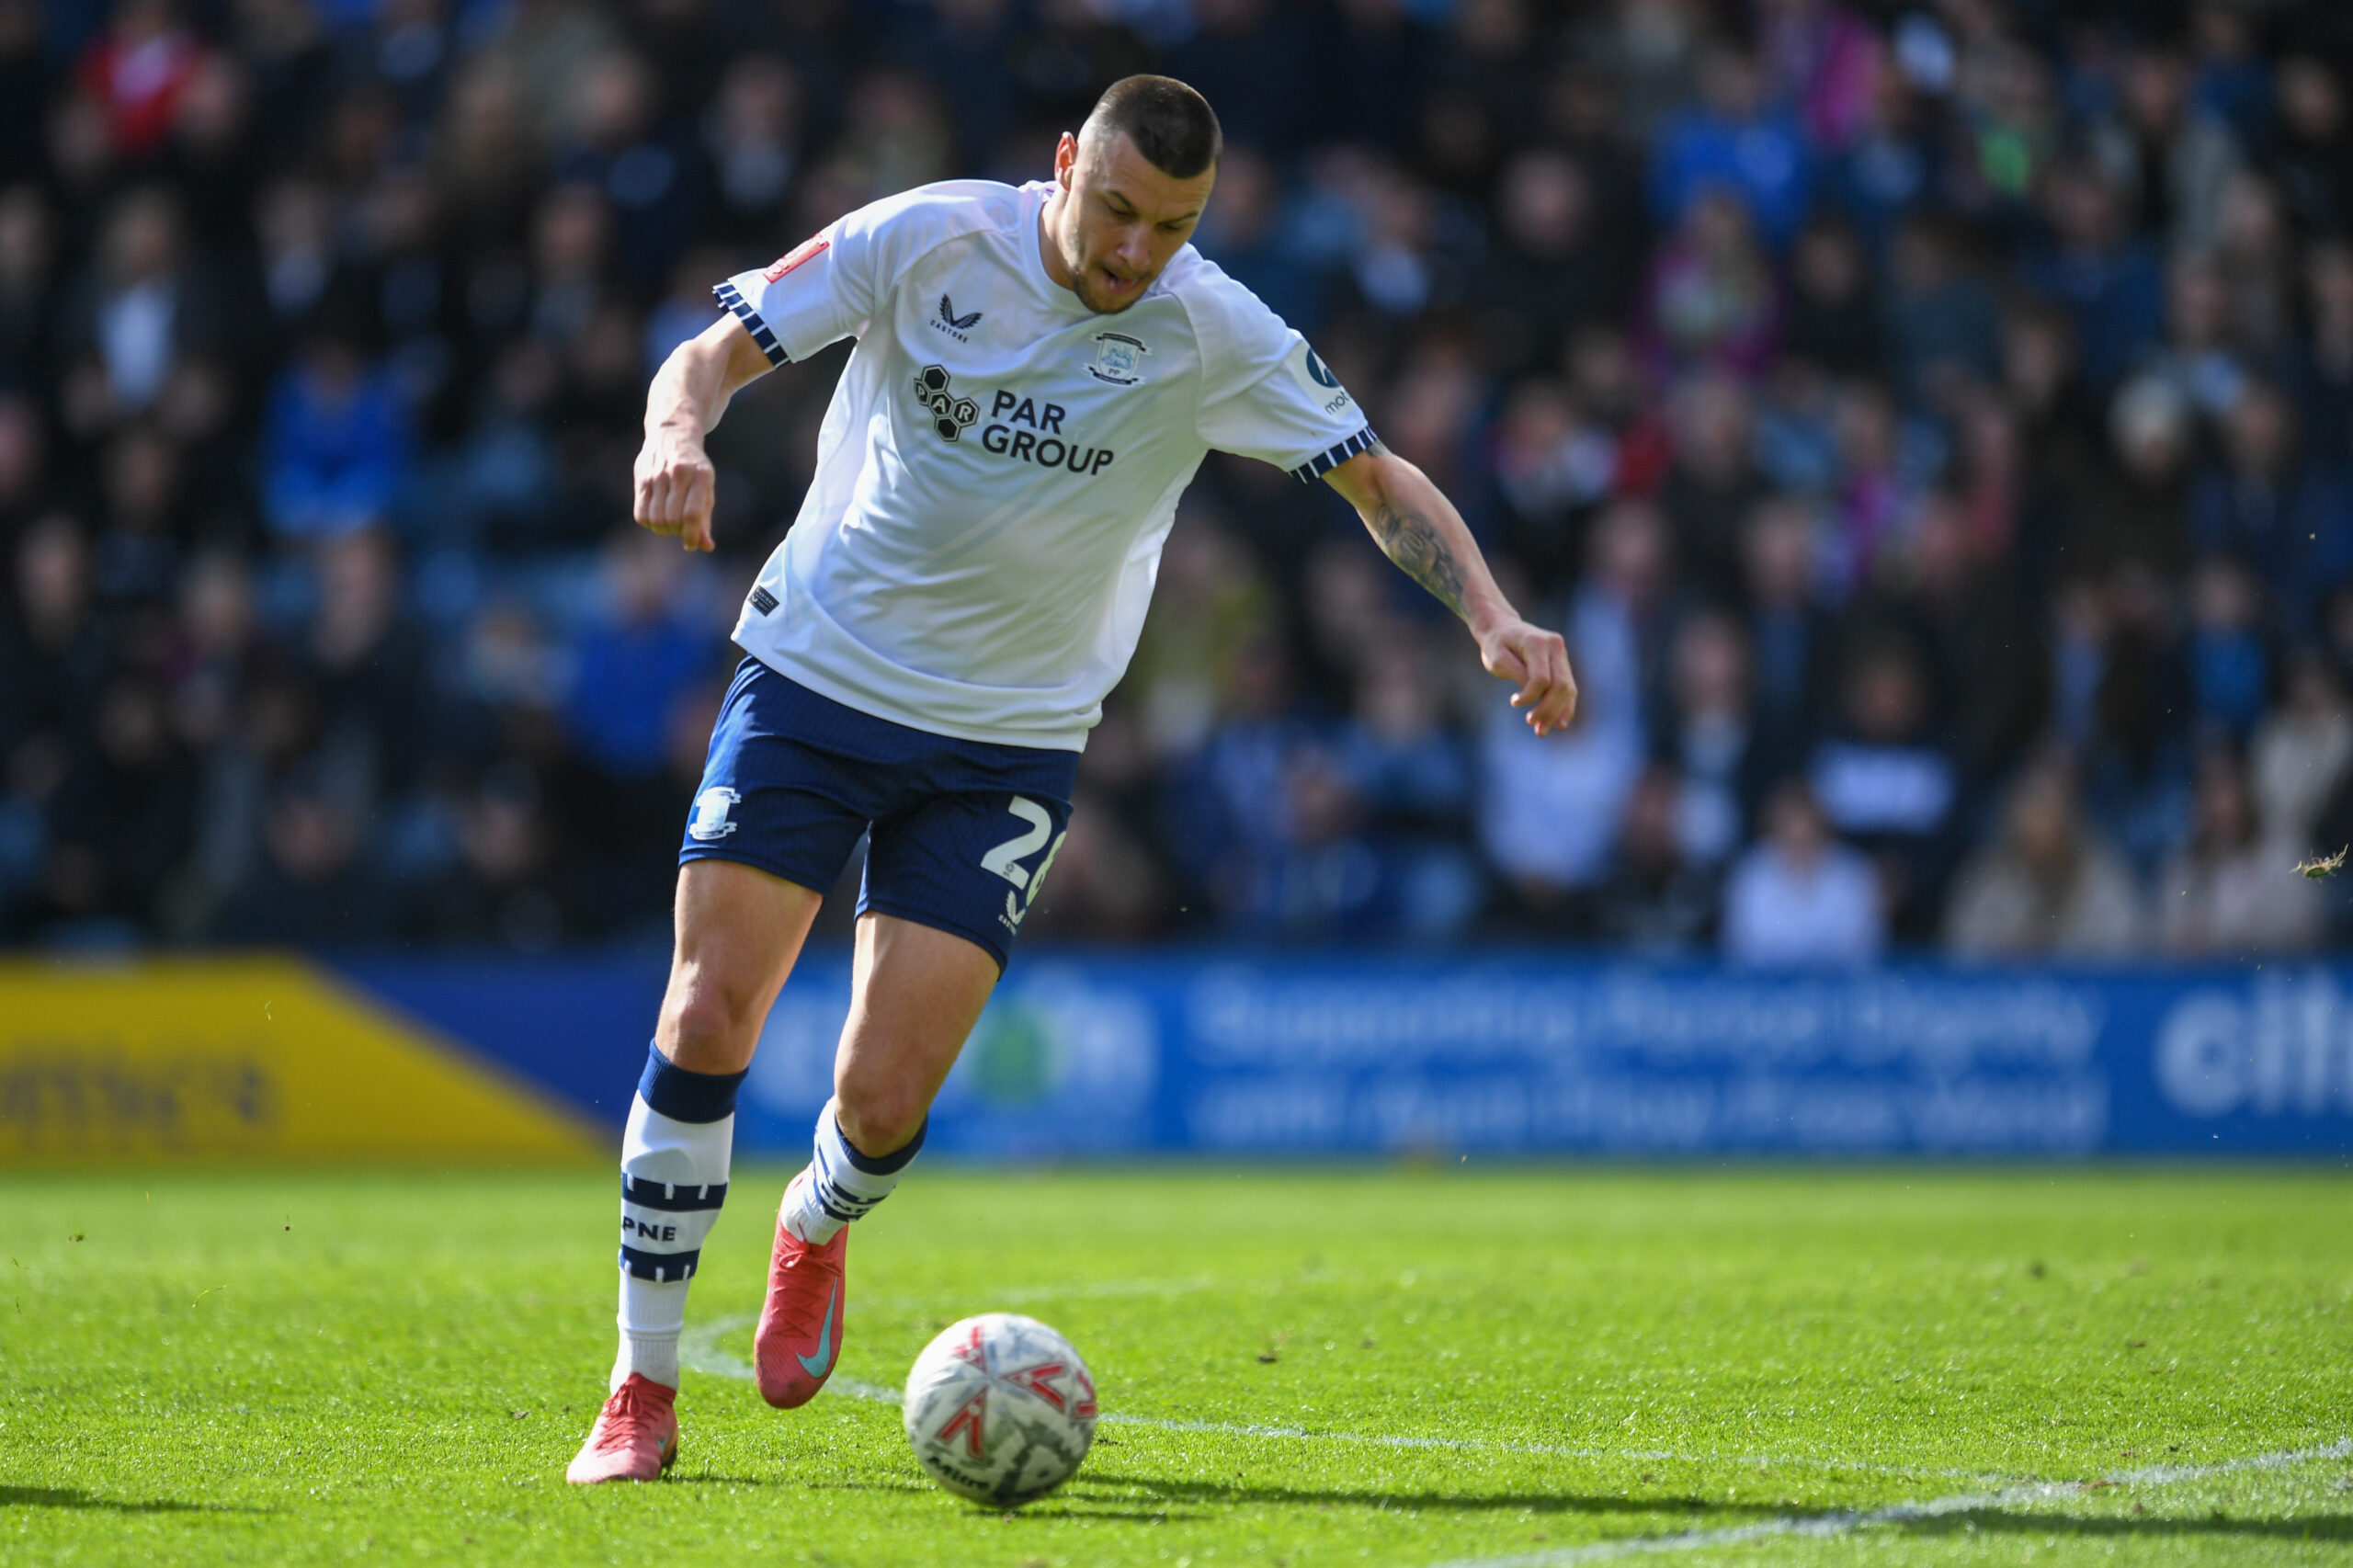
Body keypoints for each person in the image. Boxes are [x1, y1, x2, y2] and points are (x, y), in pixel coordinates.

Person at [565, 75, 1577, 1484]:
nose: (1133, 251)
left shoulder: (1213, 328)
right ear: (1062, 166)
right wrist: (674, 436)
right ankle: (641, 1386)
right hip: (817, 678)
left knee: (879, 1094)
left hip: (1011, 739)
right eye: (1114, 209)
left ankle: (815, 1220)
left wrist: (1493, 617)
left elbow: (1379, 480)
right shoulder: (928, 238)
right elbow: (712, 352)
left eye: (1172, 225)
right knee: (708, 1004)